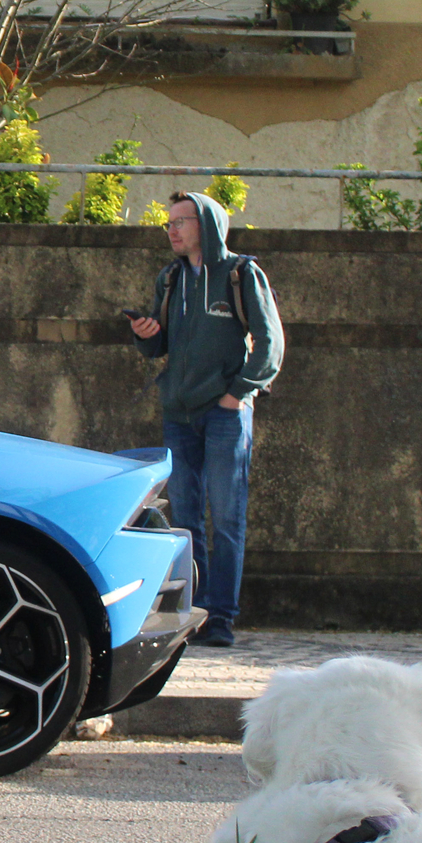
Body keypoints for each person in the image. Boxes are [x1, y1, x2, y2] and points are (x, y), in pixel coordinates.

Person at [126, 191, 282, 649]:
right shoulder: (170, 278)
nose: (172, 230)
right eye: (168, 223)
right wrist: (145, 336)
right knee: (187, 519)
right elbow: (161, 347)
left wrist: (238, 394)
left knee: (227, 517)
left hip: (225, 413)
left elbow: (271, 344)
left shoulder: (240, 274)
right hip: (179, 412)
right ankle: (193, 615)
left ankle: (222, 619)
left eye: (181, 221)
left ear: (208, 225)